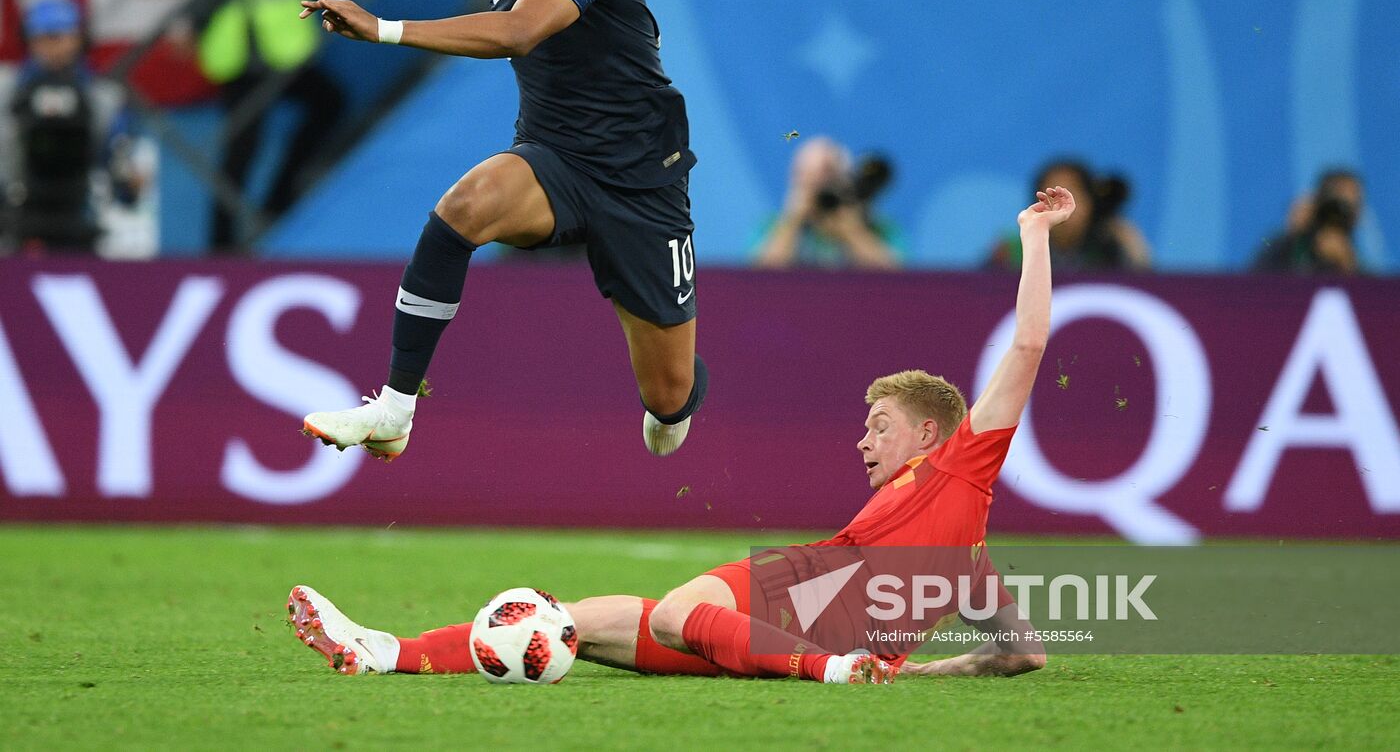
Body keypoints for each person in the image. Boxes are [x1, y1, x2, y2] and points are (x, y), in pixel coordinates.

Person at [285, 187, 1075, 683]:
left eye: (881, 427)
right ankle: (385, 652)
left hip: (796, 598)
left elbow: (1029, 346)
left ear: (935, 433)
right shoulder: (966, 559)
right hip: (795, 621)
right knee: (575, 624)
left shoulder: (962, 469)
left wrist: (1034, 238)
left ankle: (827, 669)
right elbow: (1022, 652)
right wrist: (914, 672)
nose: (863, 444)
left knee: (671, 614)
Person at [299, 0, 704, 461]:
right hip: (555, 158)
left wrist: (384, 27)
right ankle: (394, 410)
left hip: (643, 181)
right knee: (462, 209)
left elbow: (519, 29)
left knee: (668, 399)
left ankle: (673, 391)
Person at [181, 0, 346, 251]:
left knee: (310, 111)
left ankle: (268, 210)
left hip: (270, 41)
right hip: (253, 41)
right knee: (243, 145)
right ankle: (227, 244)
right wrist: (196, 19)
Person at [0, 0, 151, 255]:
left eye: (61, 36)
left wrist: (129, 182)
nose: (53, 47)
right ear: (29, 41)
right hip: (14, 213)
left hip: (79, 214)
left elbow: (120, 168)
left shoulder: (104, 99)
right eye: (43, 38)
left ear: (80, 39)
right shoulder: (5, 91)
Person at [752, 136, 901, 269]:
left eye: (828, 174)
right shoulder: (774, 227)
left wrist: (852, 231)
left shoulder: (879, 228)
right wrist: (792, 222)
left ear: (846, 179)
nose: (819, 184)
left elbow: (898, 281)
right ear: (793, 180)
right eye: (808, 176)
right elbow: (759, 279)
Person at [985, 159, 1149, 272]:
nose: (1061, 206)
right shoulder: (1011, 249)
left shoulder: (1111, 245)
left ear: (1090, 202)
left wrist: (1131, 247)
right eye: (1051, 195)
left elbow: (1146, 291)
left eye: (1072, 193)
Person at [1252, 169, 1366, 275]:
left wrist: (1349, 264)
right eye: (1337, 204)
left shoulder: (1355, 256)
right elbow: (1253, 284)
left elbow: (1375, 292)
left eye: (1354, 204)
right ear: (1319, 202)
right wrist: (1291, 236)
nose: (1341, 212)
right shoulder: (1291, 244)